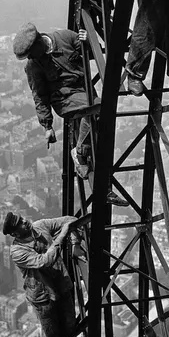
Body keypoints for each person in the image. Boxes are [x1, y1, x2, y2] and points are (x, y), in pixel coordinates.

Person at [12, 22, 128, 207]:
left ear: (40, 41)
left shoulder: (65, 37)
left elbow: (90, 55)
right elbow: (40, 96)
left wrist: (87, 42)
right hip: (64, 100)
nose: (31, 58)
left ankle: (101, 186)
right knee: (99, 111)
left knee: (99, 137)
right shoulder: (33, 66)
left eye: (31, 53)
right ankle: (81, 153)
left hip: (85, 93)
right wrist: (47, 126)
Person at [2, 211, 79, 337]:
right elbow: (44, 261)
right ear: (14, 233)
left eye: (22, 218)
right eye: (21, 223)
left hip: (61, 284)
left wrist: (75, 240)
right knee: (52, 332)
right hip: (42, 295)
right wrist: (63, 236)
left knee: (68, 324)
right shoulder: (17, 251)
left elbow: (70, 220)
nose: (25, 221)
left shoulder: (40, 226)